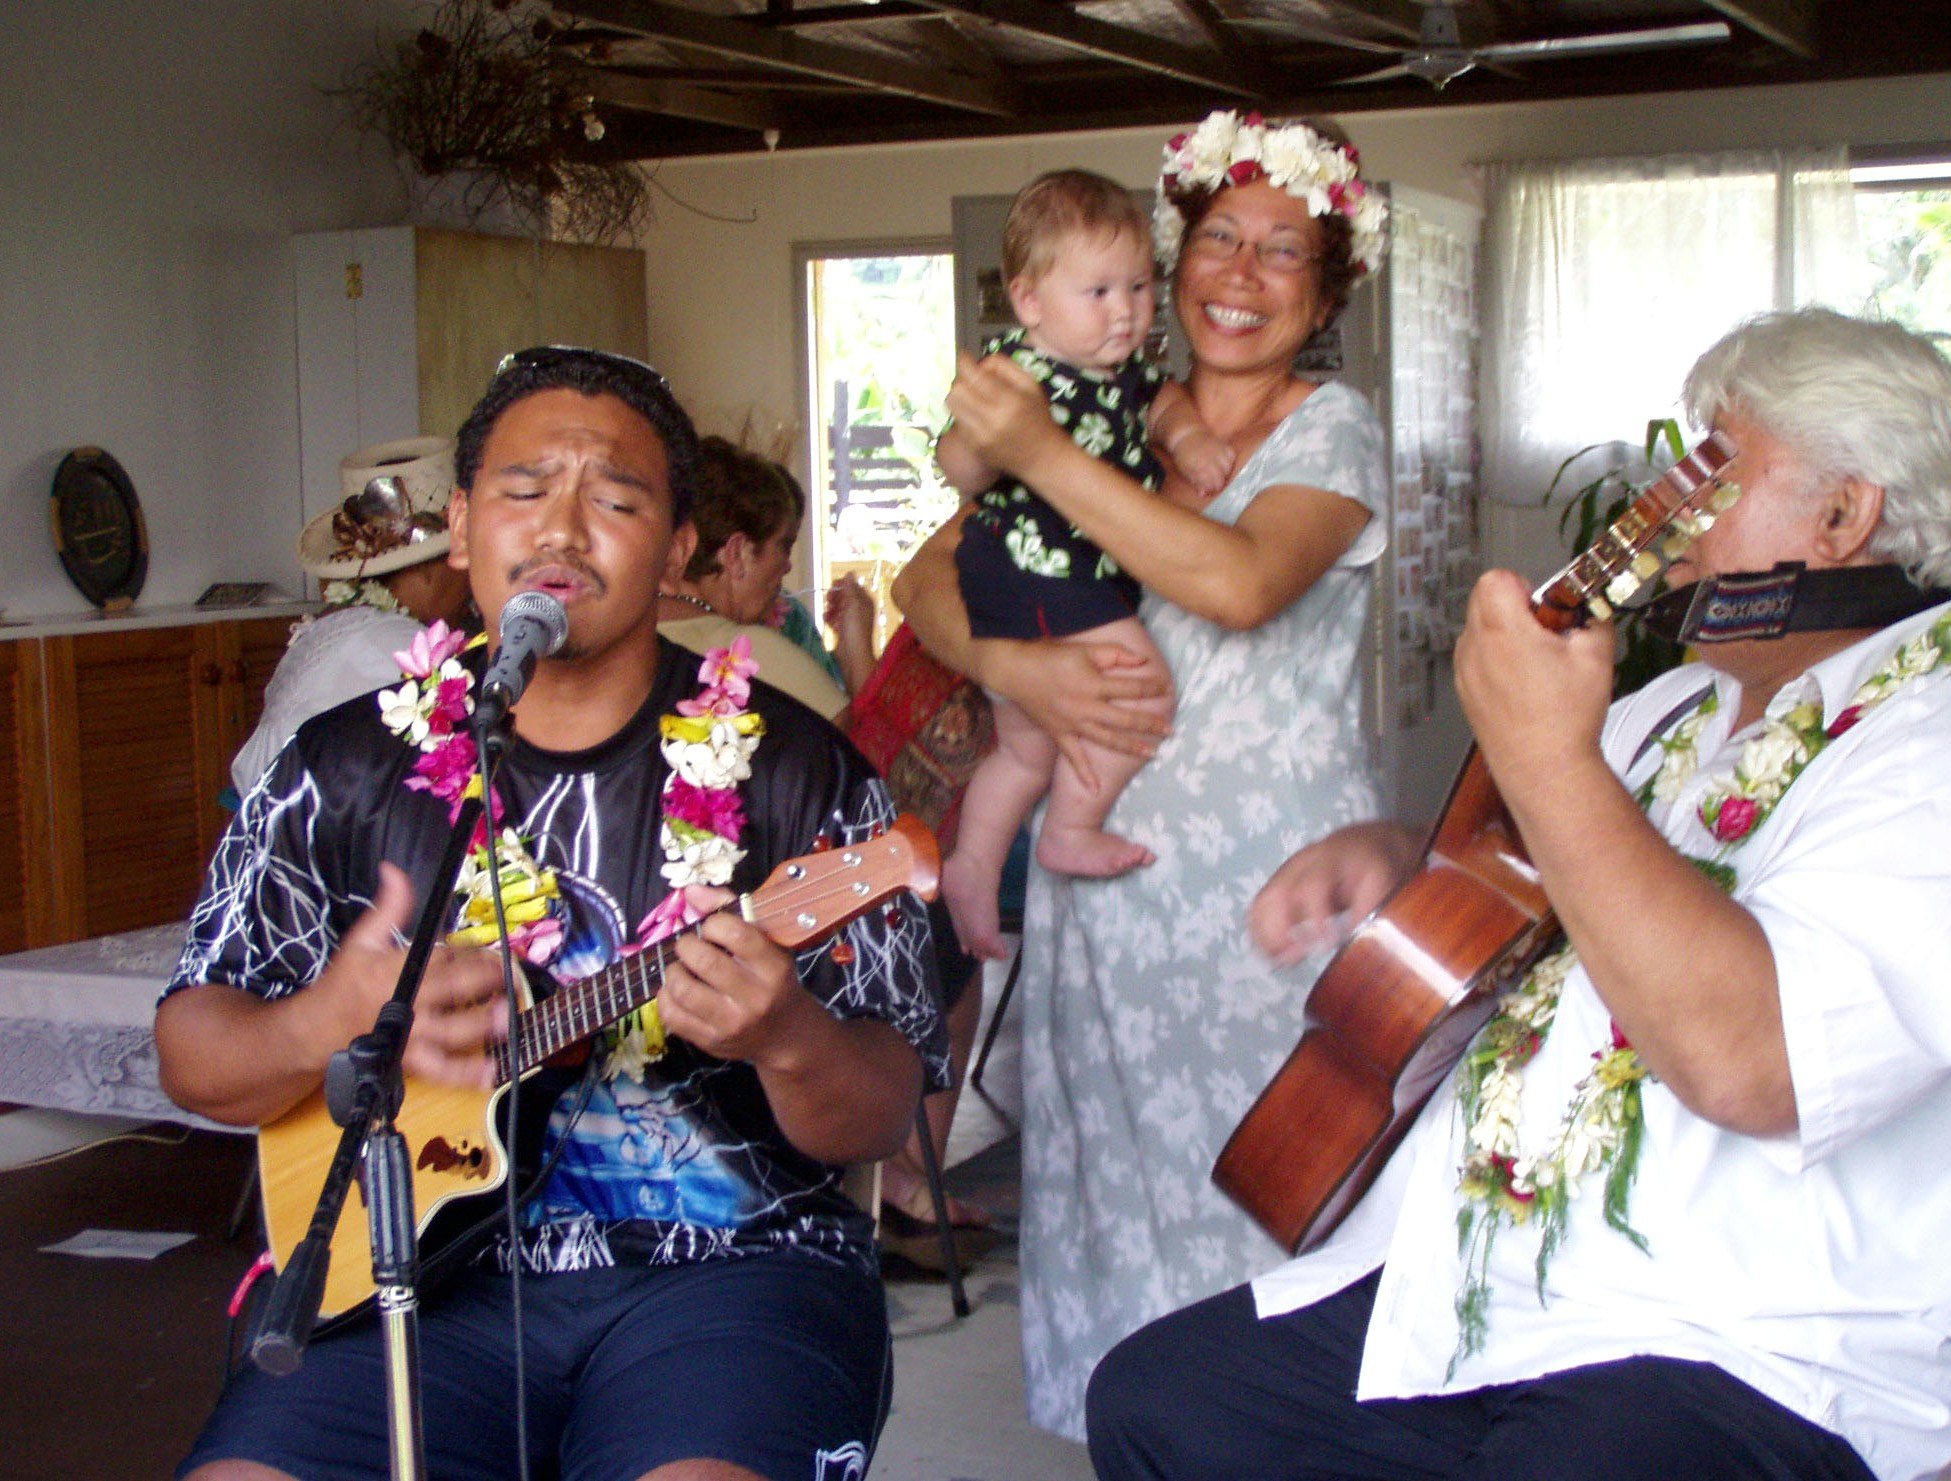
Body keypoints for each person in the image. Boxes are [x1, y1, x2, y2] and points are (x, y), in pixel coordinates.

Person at [1086, 307, 1951, 1481]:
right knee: (1163, 1400)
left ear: (1844, 515)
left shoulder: (1929, 735)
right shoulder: (1663, 714)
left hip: (1750, 1333)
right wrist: (1401, 854)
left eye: (1710, 474)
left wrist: (1543, 755)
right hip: (1497, 1275)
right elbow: (1544, 877)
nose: (1668, 520)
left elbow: (1758, 1059)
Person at [156, 345, 949, 1481]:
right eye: (525, 491)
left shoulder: (801, 773)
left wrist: (788, 1036)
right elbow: (193, 1056)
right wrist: (328, 1015)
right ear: (467, 521)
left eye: (616, 498)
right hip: (412, 1283)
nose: (564, 531)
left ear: (677, 547)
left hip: (730, 1271)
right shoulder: (333, 768)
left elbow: (877, 1115)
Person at [893, 108, 1392, 1437]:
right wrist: (1017, 675)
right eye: (1215, 239)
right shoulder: (1106, 398)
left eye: (1282, 251)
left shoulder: (1327, 432)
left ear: (1328, 285)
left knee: (1275, 1196)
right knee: (1120, 1182)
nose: (1238, 274)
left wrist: (1047, 455)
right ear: (1171, 262)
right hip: (1107, 896)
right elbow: (925, 574)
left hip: (1269, 891)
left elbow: (1232, 582)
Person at [933, 167, 1234, 961]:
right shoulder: (1020, 372)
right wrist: (979, 443)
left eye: (1138, 286)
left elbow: (1162, 401)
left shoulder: (1123, 371)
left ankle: (972, 863)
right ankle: (1068, 829)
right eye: (1097, 292)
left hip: (1030, 576)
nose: (1126, 310)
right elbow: (960, 463)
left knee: (1028, 747)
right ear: (1030, 302)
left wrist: (1190, 436)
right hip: (1039, 567)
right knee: (1140, 691)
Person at [230, 435, 473, 794]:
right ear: (429, 569)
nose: (472, 578)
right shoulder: (401, 652)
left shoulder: (335, 628)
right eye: (465, 561)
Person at [658, 435, 875, 720]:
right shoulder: (758, 658)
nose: (786, 566)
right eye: (783, 545)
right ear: (736, 553)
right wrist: (857, 661)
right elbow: (869, 759)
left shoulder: (618, 636)